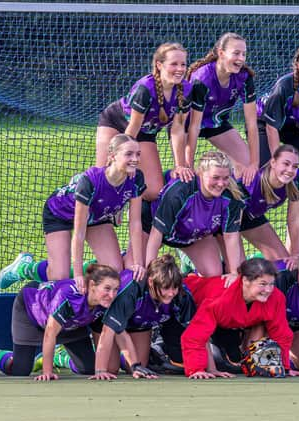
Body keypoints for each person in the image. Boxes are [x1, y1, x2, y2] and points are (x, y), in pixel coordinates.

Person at [0, 134, 146, 291]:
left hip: (96, 217)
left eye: (138, 154)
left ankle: (83, 264)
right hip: (60, 214)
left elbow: (135, 223)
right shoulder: (91, 181)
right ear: (112, 156)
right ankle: (23, 267)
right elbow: (79, 232)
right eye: (129, 154)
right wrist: (78, 275)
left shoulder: (136, 179)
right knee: (60, 276)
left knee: (114, 269)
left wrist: (137, 262)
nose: (135, 159)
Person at [0, 264, 120, 379]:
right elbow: (50, 332)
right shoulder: (70, 296)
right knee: (20, 370)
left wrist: (101, 369)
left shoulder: (104, 303)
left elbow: (100, 335)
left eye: (116, 289)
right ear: (92, 285)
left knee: (88, 368)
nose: (112, 295)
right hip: (31, 311)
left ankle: (58, 356)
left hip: (71, 325)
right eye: (107, 288)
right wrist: (47, 372)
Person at [181, 257, 299, 379]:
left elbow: (282, 334)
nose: (268, 290)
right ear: (245, 281)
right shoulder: (220, 298)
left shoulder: (277, 298)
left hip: (227, 324)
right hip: (182, 303)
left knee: (235, 357)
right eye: (263, 284)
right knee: (184, 351)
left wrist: (284, 368)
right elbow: (195, 335)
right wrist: (197, 369)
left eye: (271, 284)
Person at [95, 42, 193, 200]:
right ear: (159, 65)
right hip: (115, 123)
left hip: (145, 132)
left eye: (183, 64)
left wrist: (179, 165)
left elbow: (177, 128)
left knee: (154, 191)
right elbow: (133, 127)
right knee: (105, 178)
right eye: (174, 64)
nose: (180, 69)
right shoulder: (146, 88)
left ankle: (132, 203)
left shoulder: (186, 89)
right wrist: (125, 159)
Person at [90, 254, 196, 380]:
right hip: (107, 322)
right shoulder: (132, 289)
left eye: (175, 288)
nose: (171, 293)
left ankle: (131, 358)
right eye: (166, 288)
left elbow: (198, 332)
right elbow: (109, 331)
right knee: (110, 369)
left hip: (139, 323)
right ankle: (62, 356)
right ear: (151, 282)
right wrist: (100, 371)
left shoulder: (182, 294)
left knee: (138, 367)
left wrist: (209, 369)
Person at [141, 151, 245, 278]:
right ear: (200, 173)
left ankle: (187, 268)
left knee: (213, 274)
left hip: (192, 236)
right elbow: (156, 234)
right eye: (215, 177)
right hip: (156, 229)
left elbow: (231, 236)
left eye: (225, 178)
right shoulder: (180, 193)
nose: (221, 184)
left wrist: (234, 272)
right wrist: (149, 273)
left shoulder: (231, 197)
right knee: (138, 268)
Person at [186, 32, 259, 186]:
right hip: (189, 124)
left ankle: (231, 202)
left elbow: (251, 124)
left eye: (244, 54)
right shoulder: (202, 78)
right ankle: (202, 183)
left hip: (216, 122)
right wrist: (188, 165)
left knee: (246, 168)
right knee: (187, 174)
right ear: (221, 53)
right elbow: (194, 126)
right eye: (236, 53)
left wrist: (254, 163)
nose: (241, 58)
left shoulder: (244, 77)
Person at [237, 144, 299, 268]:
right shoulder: (251, 183)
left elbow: (294, 218)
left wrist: (296, 254)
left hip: (252, 218)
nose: (290, 170)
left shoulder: (297, 179)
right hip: (225, 222)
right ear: (273, 162)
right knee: (238, 269)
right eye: (286, 164)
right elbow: (232, 226)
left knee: (284, 265)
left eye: (295, 166)